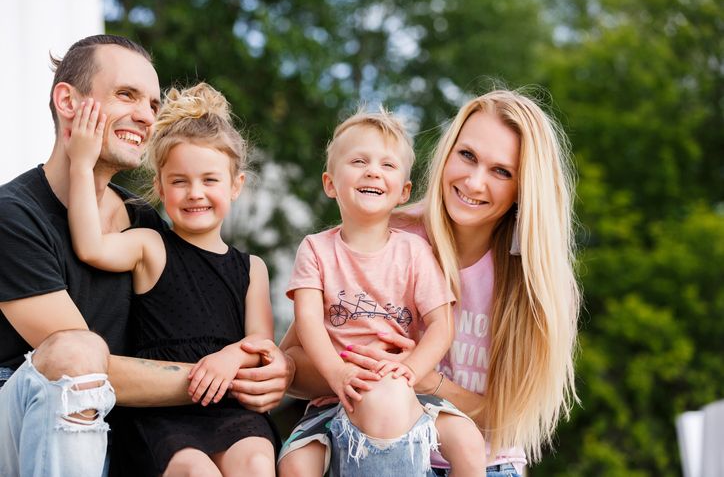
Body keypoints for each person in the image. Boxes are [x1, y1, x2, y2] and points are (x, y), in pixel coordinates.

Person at [0, 35, 291, 477]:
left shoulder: (146, 222)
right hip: (26, 427)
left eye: (153, 104)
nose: (144, 115)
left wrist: (272, 369)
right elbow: (88, 374)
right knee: (79, 353)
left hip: (132, 427)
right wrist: (229, 379)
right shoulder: (13, 216)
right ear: (68, 101)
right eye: (126, 95)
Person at [281, 89, 580, 476]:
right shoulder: (386, 236)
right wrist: (364, 368)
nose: (474, 182)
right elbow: (291, 367)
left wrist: (427, 380)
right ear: (447, 153)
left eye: (501, 171)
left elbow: (507, 418)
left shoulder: (535, 283)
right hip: (381, 452)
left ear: (524, 187)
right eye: (467, 156)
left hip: (487, 463)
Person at [65, 82, 277, 476]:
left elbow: (260, 344)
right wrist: (81, 165)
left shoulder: (252, 269)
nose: (195, 193)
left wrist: (231, 356)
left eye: (210, 180)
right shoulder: (149, 245)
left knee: (258, 462)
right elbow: (91, 246)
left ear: (236, 186)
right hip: (161, 413)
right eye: (179, 181)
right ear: (160, 187)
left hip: (227, 407)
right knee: (197, 471)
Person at [277, 109, 486, 477]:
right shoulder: (315, 249)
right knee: (295, 465)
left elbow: (441, 325)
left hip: (409, 397)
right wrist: (338, 374)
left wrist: (409, 370)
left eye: (388, 165)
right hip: (334, 399)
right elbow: (307, 322)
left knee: (469, 443)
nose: (373, 171)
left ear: (403, 191)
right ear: (330, 183)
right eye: (358, 161)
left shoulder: (414, 252)